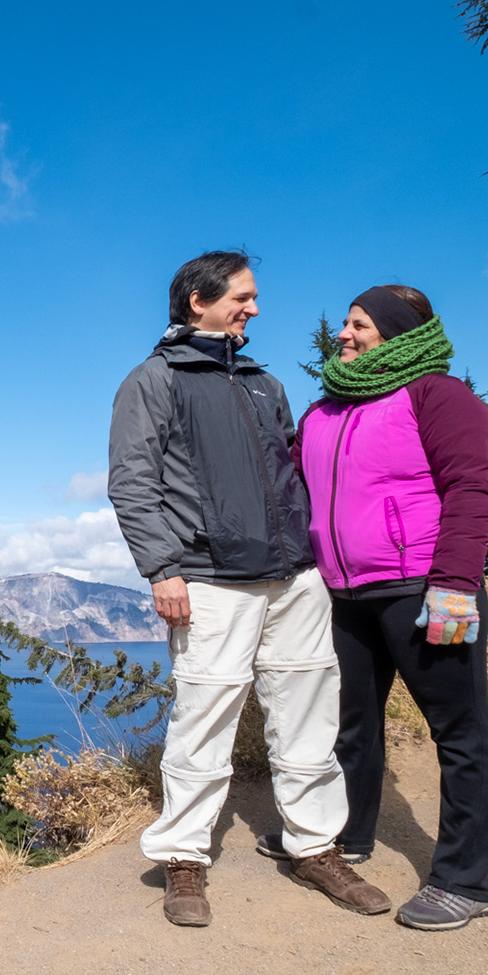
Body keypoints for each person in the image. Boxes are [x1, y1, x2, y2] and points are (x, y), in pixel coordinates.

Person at [108, 250, 392, 927]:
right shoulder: (153, 380)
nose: (255, 308)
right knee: (203, 721)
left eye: (254, 296)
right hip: (207, 580)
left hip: (294, 576)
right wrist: (163, 567)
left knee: (308, 716)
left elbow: (296, 470)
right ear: (197, 301)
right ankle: (183, 859)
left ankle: (314, 847)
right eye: (243, 295)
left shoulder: (266, 384)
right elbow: (132, 482)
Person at [293, 285, 488, 930]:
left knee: (460, 731)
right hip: (343, 593)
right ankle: (351, 835)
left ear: (394, 332)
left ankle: (466, 881)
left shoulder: (439, 396)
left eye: (359, 325)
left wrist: (456, 582)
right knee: (350, 725)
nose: (344, 335)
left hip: (423, 588)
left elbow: (471, 487)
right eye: (345, 324)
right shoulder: (323, 411)